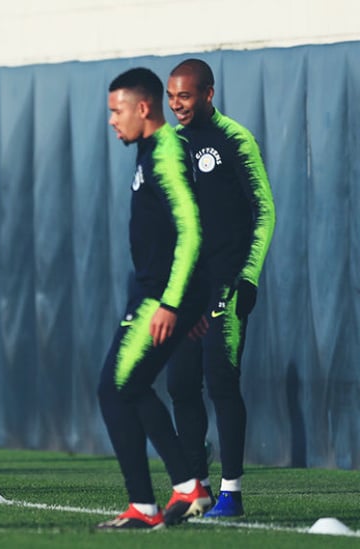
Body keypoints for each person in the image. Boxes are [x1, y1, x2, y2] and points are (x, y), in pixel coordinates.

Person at [96, 67, 211, 529]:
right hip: (150, 293)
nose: (111, 120)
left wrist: (174, 303)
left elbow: (191, 230)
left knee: (114, 389)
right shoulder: (147, 152)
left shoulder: (166, 153)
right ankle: (187, 486)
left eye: (116, 111)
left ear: (143, 108)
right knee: (129, 387)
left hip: (158, 298)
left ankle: (147, 505)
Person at [165, 58, 276, 517]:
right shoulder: (168, 144)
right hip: (185, 292)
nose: (177, 106)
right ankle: (200, 486)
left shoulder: (236, 140)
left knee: (222, 382)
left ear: (208, 94)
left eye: (185, 96)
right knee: (180, 384)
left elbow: (264, 211)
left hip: (226, 284)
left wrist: (249, 275)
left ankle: (232, 491)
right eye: (171, 98)